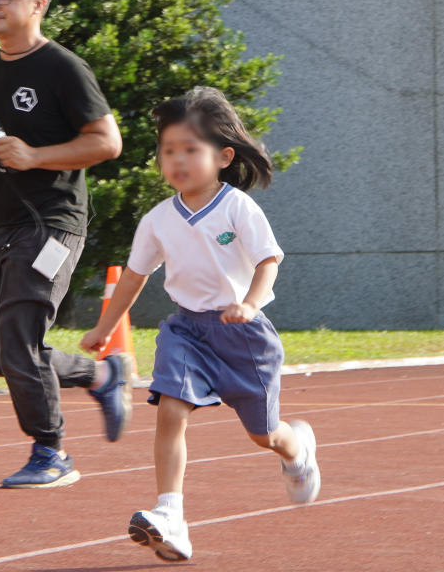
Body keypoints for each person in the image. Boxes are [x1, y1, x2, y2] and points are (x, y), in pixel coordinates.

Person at [80, 87, 320, 561]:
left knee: (262, 435)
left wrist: (250, 304)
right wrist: (105, 327)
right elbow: (133, 277)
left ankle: (297, 451)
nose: (178, 160)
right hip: (186, 330)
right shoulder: (157, 220)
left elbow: (269, 260)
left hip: (243, 336)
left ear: (224, 156)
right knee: (171, 407)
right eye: (169, 150)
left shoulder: (237, 208)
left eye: (191, 149)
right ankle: (171, 515)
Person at [0, 0, 133, 489]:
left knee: (19, 336)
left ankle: (51, 453)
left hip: (52, 226)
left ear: (39, 3)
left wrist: (35, 157)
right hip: (1, 226)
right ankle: (102, 375)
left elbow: (107, 142)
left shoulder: (63, 67)